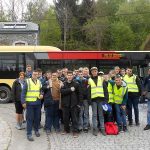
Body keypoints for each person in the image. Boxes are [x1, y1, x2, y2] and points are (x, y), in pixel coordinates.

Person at [21, 70, 43, 141]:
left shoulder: (39, 82)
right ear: (32, 74)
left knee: (37, 118)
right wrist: (23, 102)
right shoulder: (27, 81)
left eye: (36, 74)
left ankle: (36, 130)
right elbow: (23, 93)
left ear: (38, 75)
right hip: (30, 103)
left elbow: (41, 90)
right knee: (30, 119)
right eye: (34, 74)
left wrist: (41, 94)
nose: (35, 76)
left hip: (38, 103)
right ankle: (29, 134)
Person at [88, 67, 108, 136]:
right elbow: (88, 92)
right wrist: (89, 101)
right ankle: (95, 129)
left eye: (95, 71)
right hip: (93, 100)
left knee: (101, 115)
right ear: (91, 72)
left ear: (97, 72)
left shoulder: (101, 79)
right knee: (94, 115)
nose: (94, 72)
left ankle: (102, 128)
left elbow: (105, 90)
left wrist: (106, 100)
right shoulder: (89, 80)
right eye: (93, 71)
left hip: (101, 100)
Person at [61, 71, 82, 138]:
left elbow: (79, 94)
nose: (69, 76)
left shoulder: (76, 84)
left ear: (72, 76)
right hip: (66, 105)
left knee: (74, 119)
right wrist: (70, 89)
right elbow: (62, 92)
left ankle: (75, 131)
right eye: (68, 75)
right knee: (65, 118)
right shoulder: (63, 84)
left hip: (74, 105)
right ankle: (66, 130)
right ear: (66, 76)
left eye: (71, 75)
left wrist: (79, 104)